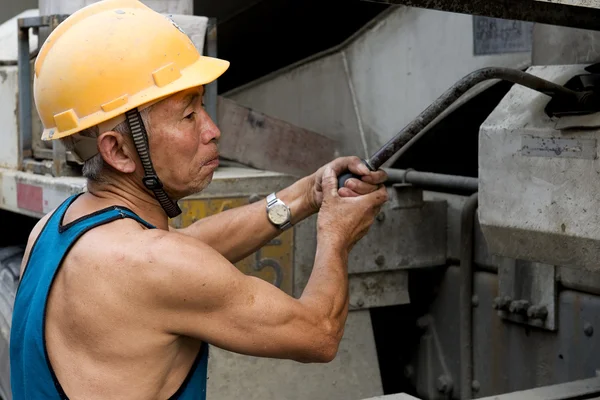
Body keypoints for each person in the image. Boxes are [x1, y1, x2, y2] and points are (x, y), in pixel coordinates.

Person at [9, 0, 389, 399]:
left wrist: (307, 194)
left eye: (202, 106)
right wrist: (336, 232)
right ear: (118, 151)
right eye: (188, 116)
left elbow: (189, 245)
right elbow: (319, 333)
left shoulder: (56, 226)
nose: (212, 130)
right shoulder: (157, 266)